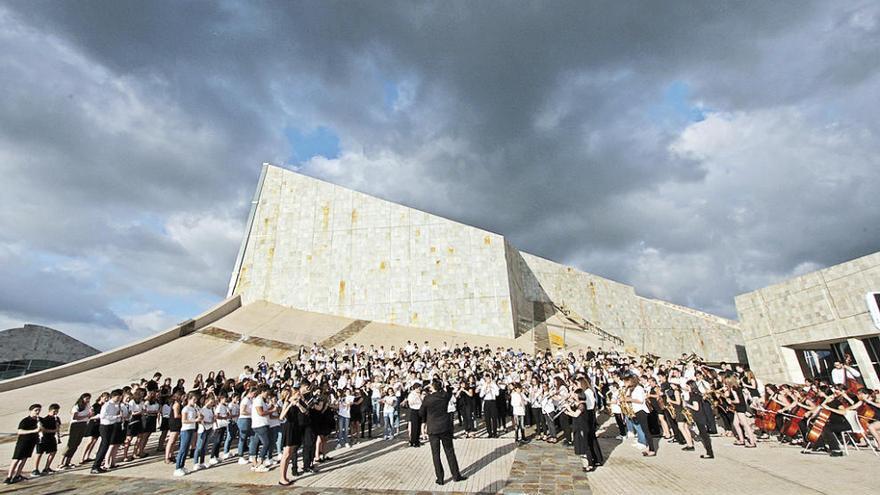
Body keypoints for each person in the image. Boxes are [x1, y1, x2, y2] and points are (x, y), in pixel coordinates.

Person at [419, 379, 467, 486]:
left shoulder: (427, 398)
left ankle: (440, 478)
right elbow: (450, 390)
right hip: (445, 427)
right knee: (450, 452)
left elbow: (421, 412)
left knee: (436, 454)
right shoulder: (445, 396)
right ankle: (456, 475)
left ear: (433, 387)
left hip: (433, 428)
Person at [5, 404, 41, 484]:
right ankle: (9, 477)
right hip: (23, 442)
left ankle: (17, 475)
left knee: (24, 459)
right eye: (36, 410)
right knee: (16, 459)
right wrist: (34, 431)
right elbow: (20, 431)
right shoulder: (25, 420)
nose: (37, 412)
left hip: (31, 443)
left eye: (39, 410)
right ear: (30, 411)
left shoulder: (38, 420)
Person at [91, 389, 123, 474]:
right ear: (114, 396)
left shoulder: (116, 404)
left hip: (112, 425)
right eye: (118, 397)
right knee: (104, 446)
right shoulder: (107, 405)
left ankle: (98, 465)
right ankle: (95, 466)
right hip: (105, 426)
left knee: (106, 445)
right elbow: (103, 416)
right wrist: (116, 417)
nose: (120, 398)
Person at [58, 393, 91, 470]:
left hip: (83, 424)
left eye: (88, 398)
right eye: (86, 399)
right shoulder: (76, 407)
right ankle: (61, 462)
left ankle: (68, 462)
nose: (87, 400)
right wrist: (86, 416)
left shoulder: (87, 406)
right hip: (76, 425)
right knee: (70, 444)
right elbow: (75, 417)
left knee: (76, 443)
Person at [173, 392, 200, 476]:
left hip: (192, 428)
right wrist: (195, 420)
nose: (195, 401)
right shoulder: (185, 409)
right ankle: (177, 467)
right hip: (186, 430)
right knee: (183, 449)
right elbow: (184, 420)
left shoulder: (194, 408)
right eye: (193, 400)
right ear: (189, 399)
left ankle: (182, 466)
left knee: (187, 449)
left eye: (196, 400)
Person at [32, 403, 61, 476]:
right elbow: (43, 430)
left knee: (53, 451)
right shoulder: (45, 419)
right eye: (54, 411)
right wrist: (54, 430)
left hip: (52, 438)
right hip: (43, 438)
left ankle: (47, 468)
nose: (55, 413)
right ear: (50, 411)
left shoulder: (57, 418)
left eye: (57, 411)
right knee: (39, 453)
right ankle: (35, 469)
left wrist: (57, 430)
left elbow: (58, 427)